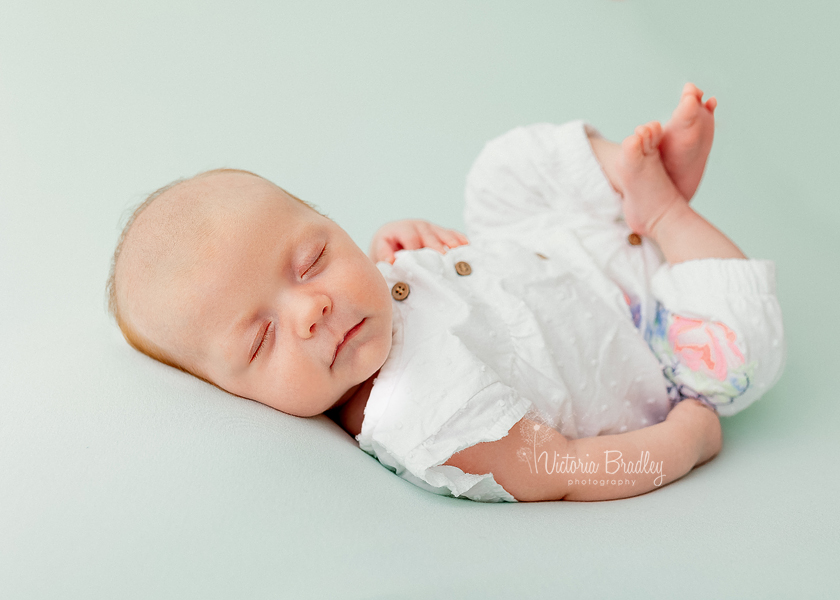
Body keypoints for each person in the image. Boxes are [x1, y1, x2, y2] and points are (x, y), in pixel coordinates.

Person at [107, 84, 785, 503]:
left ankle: (624, 181)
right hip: (659, 339)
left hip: (554, 248)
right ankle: (666, 214)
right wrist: (685, 443)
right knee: (743, 352)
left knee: (500, 173)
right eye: (263, 338)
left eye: (314, 258)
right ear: (235, 394)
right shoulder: (427, 423)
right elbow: (569, 470)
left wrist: (404, 252)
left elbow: (453, 295)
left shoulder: (367, 306)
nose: (311, 309)